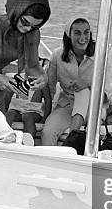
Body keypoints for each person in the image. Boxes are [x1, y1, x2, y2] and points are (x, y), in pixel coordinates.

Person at [41, 17, 99, 147]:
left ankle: (72, 139)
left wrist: (87, 84)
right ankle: (50, 164)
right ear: (69, 34)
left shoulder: (100, 55)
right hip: (66, 106)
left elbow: (106, 88)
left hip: (93, 109)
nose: (83, 37)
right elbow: (50, 87)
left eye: (86, 32)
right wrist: (46, 112)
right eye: (77, 33)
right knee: (47, 132)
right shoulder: (57, 55)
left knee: (83, 91)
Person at [5, 59, 52, 139]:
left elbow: (48, 101)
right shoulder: (18, 79)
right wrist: (5, 110)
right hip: (18, 108)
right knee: (10, 113)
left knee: (27, 116)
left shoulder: (41, 82)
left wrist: (44, 119)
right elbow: (8, 96)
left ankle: (28, 141)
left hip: (34, 111)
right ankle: (4, 137)